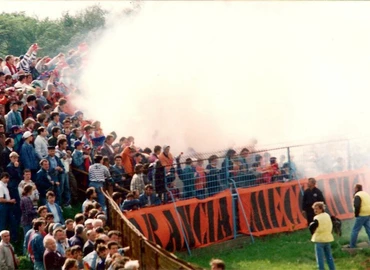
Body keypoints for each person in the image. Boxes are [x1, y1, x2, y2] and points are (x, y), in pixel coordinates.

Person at [309, 202, 335, 270]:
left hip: (319, 240)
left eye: (317, 209)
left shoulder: (317, 218)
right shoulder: (327, 215)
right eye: (314, 209)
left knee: (320, 259)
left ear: (321, 209)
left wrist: (312, 233)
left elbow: (312, 227)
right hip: (327, 239)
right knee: (329, 257)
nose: (315, 210)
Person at [348, 184, 370, 248]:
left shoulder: (357, 195)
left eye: (354, 188)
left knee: (355, 230)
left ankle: (352, 245)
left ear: (356, 188)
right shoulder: (365, 194)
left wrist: (356, 214)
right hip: (368, 213)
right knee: (368, 229)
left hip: (362, 214)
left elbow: (357, 206)